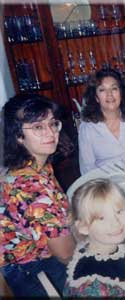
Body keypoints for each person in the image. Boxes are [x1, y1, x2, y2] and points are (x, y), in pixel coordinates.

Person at [0, 94, 75, 296]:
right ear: (18, 136)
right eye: (38, 127)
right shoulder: (31, 186)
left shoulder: (38, 165)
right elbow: (66, 254)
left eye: (52, 124)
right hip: (33, 272)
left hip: (36, 259)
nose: (50, 132)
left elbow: (62, 210)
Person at [64, 178, 125, 297]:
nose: (116, 223)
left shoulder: (107, 248)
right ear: (83, 227)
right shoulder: (94, 286)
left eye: (119, 211)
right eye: (102, 218)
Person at [78, 67, 125, 175]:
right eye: (102, 90)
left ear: (121, 93)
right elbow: (87, 171)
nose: (109, 94)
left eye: (114, 88)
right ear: (96, 97)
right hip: (107, 187)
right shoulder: (87, 128)